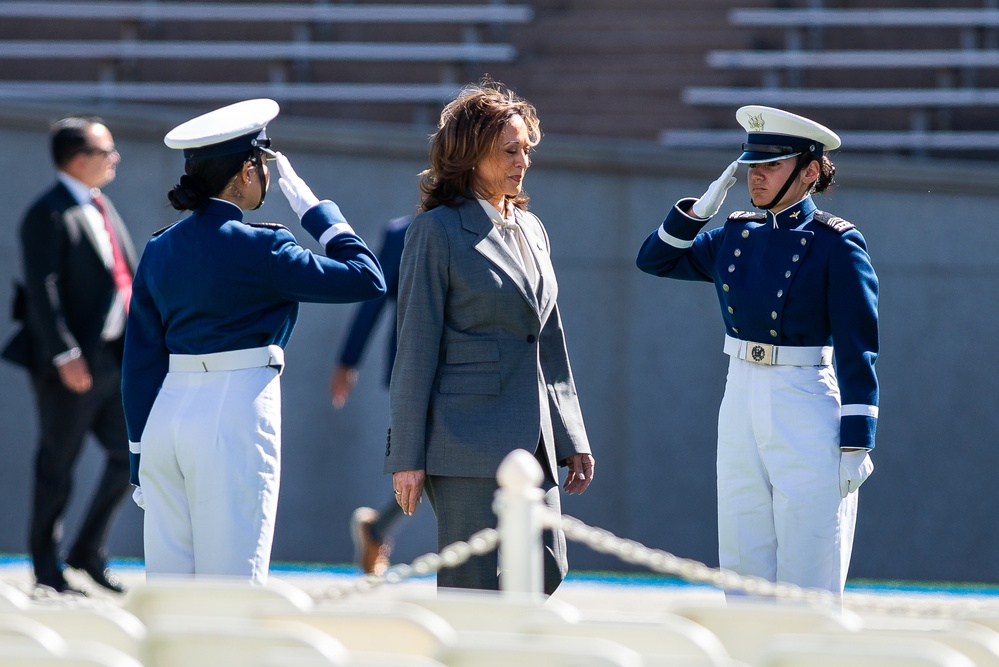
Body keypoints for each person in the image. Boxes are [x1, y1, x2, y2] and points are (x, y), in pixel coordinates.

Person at [121, 99, 386, 584]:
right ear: (247, 170)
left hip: (164, 421)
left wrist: (138, 451)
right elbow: (367, 278)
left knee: (169, 594)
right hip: (236, 409)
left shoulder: (159, 248)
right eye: (262, 165)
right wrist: (314, 208)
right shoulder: (265, 246)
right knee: (234, 589)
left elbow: (140, 359)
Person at [636, 105, 879, 595]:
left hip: (805, 397)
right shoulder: (737, 232)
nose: (755, 177)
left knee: (810, 557)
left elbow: (860, 346)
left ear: (809, 172)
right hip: (740, 393)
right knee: (743, 554)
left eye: (771, 165)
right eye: (751, 166)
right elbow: (656, 259)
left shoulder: (836, 244)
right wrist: (703, 206)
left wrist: (857, 440)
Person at [387, 80, 596, 594]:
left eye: (526, 149)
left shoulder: (532, 226)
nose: (522, 160)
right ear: (470, 153)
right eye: (509, 150)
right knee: (470, 589)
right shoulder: (434, 231)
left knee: (547, 569)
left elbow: (548, 340)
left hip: (535, 443)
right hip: (462, 443)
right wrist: (406, 457)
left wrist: (572, 438)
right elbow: (414, 349)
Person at [1, 116, 136, 595]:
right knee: (57, 463)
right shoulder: (48, 212)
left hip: (112, 361)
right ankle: (46, 567)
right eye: (107, 152)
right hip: (71, 366)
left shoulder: (100, 205)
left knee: (131, 457)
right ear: (80, 160)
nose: (114, 159)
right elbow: (42, 290)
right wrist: (64, 353)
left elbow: (124, 279)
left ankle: (86, 550)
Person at [330, 214, 412, 576]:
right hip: (414, 369)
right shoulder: (404, 232)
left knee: (446, 464)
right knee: (431, 461)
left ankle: (378, 528)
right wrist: (348, 360)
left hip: (473, 370)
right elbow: (372, 297)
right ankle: (377, 529)